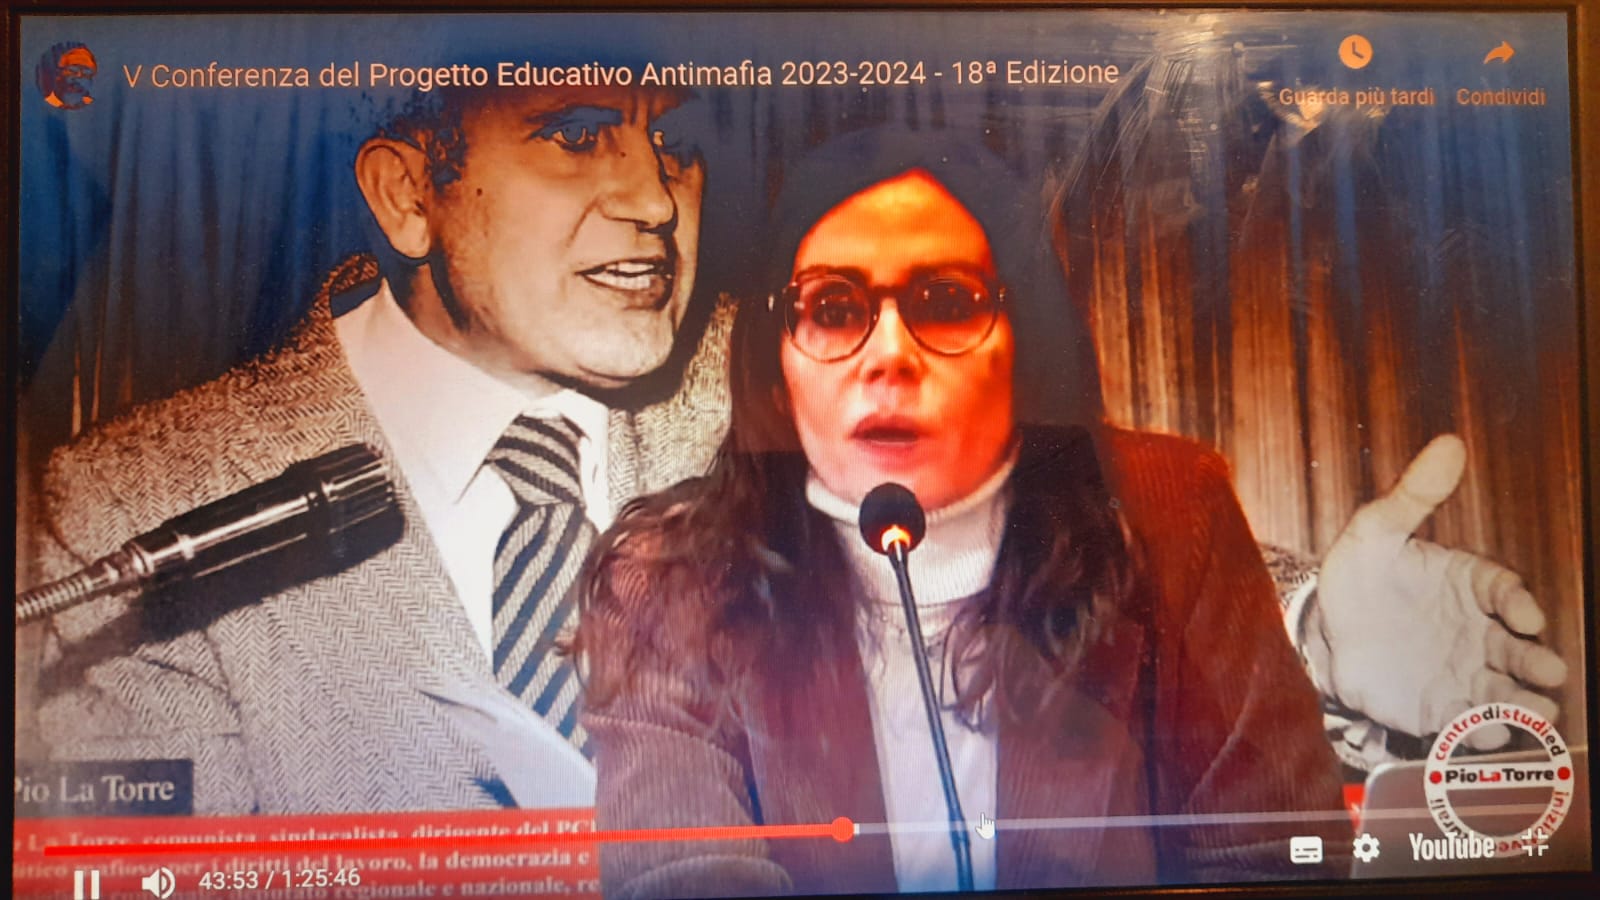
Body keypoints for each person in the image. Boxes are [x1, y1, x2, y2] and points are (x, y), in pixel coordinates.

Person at [577, 133, 1352, 896]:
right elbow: (686, 885)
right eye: (834, 308)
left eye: (947, 303)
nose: (889, 355)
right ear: (776, 371)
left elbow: (1279, 859)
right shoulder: (664, 586)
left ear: (1025, 352)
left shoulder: (1172, 516)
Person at [17, 82, 728, 813]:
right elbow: (163, 863)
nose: (656, 202)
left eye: (672, 144)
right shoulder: (139, 502)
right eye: (575, 136)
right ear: (407, 196)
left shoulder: (775, 381)